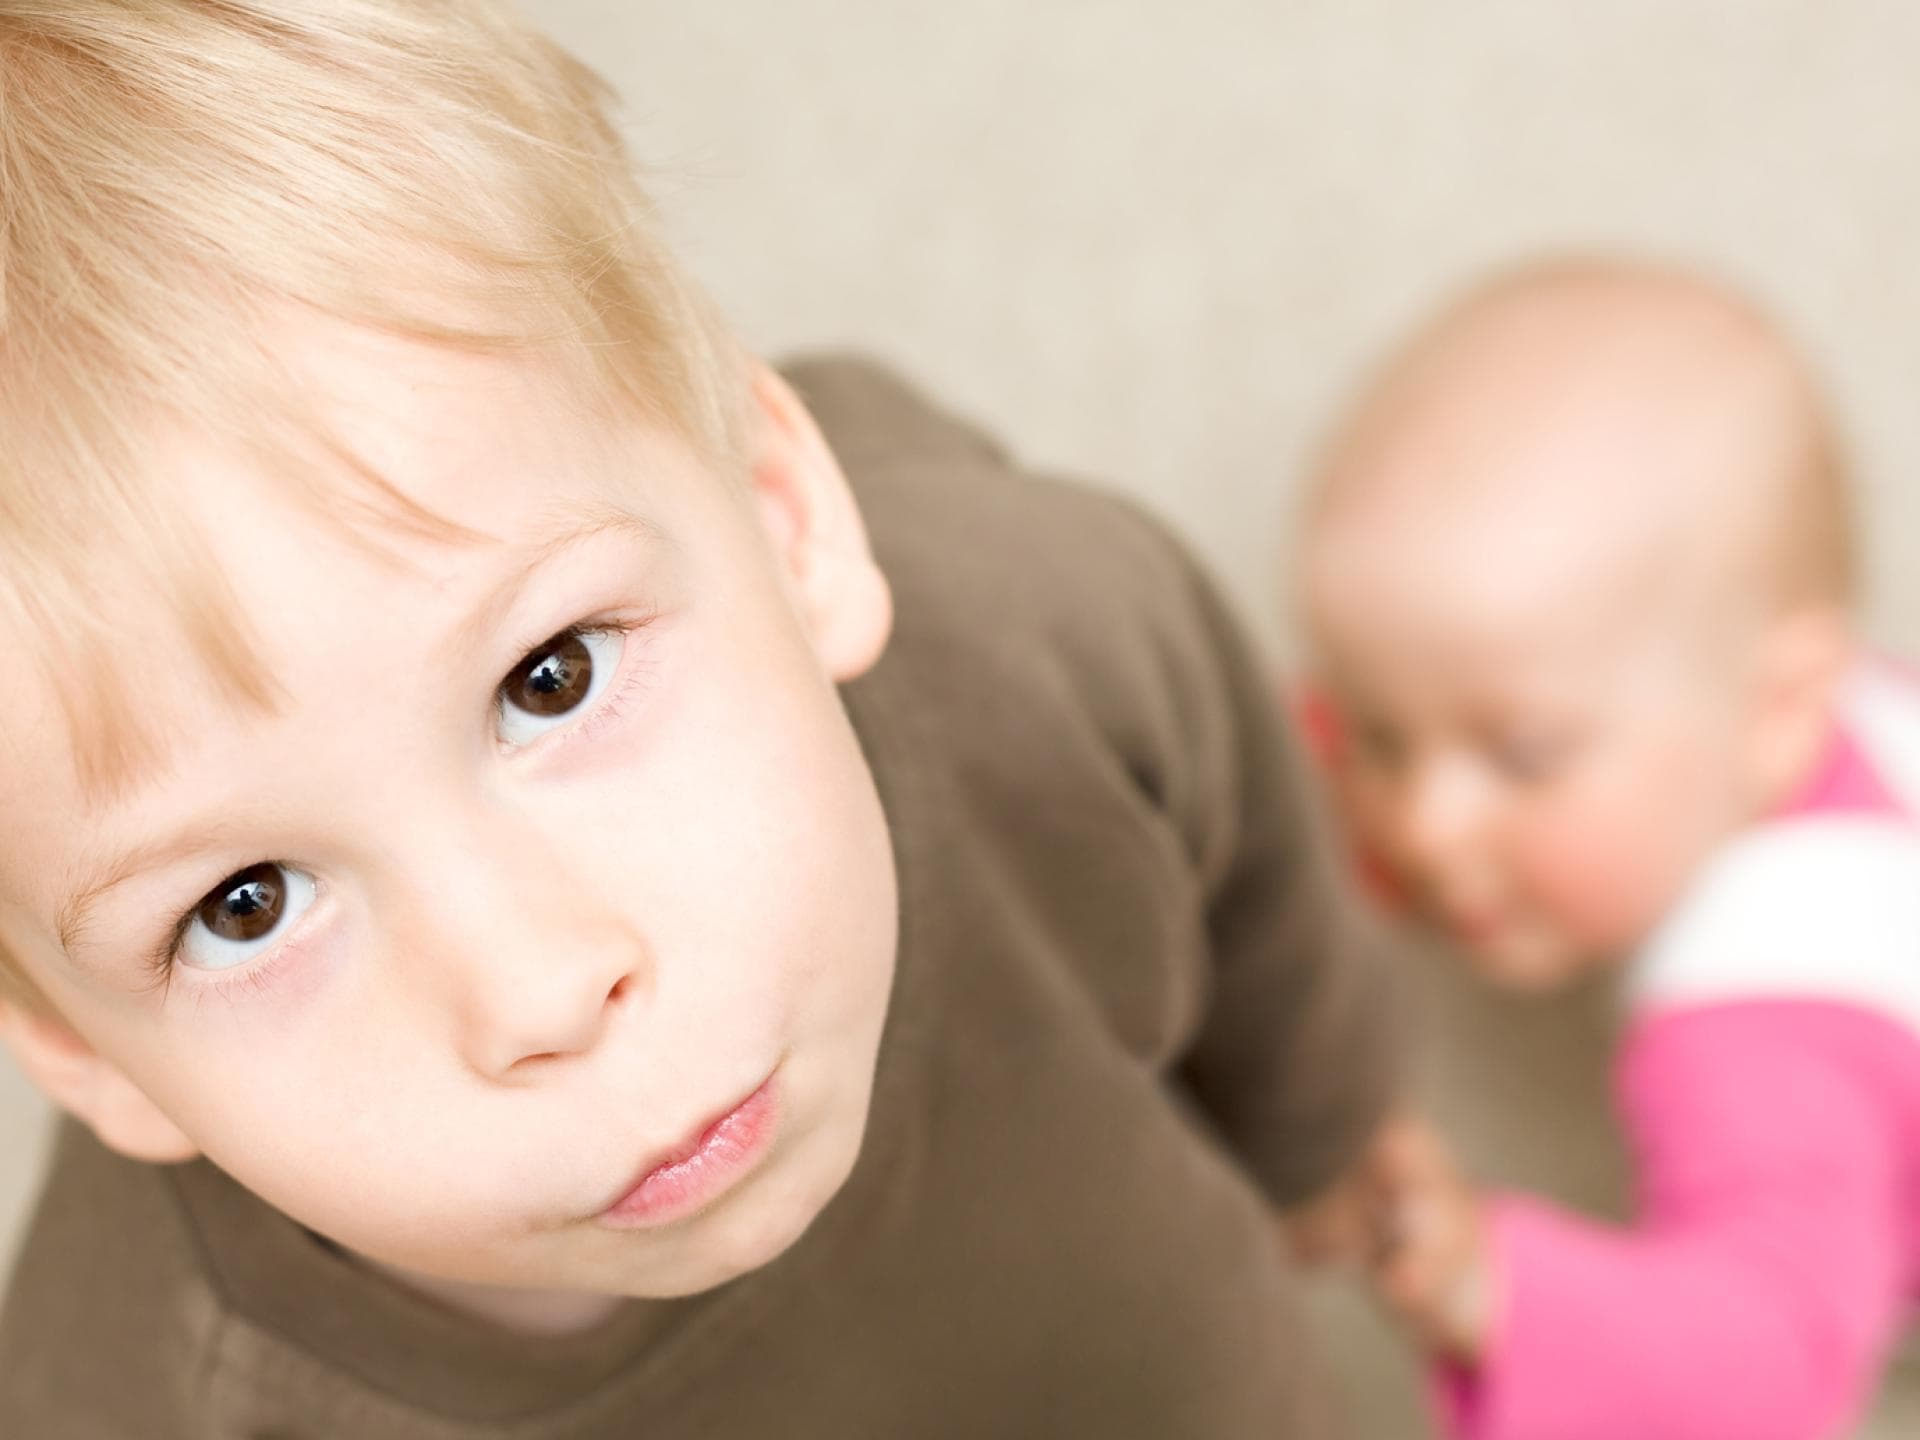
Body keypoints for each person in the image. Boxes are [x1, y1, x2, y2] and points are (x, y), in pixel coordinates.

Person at [0, 3, 1399, 1435]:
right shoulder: (134, 1401)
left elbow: (1255, 870)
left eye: (550, 677)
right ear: (80, 1047)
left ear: (787, 520)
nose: (540, 989)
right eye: (244, 906)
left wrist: (1325, 1136)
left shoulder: (1030, 639)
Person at [1294, 256, 1920, 1439]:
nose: (1425, 828)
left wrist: (1488, 1285)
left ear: (1775, 709)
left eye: (1522, 755)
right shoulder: (1839, 711)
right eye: (1380, 734)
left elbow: (1781, 1370)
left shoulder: (1762, 1032)